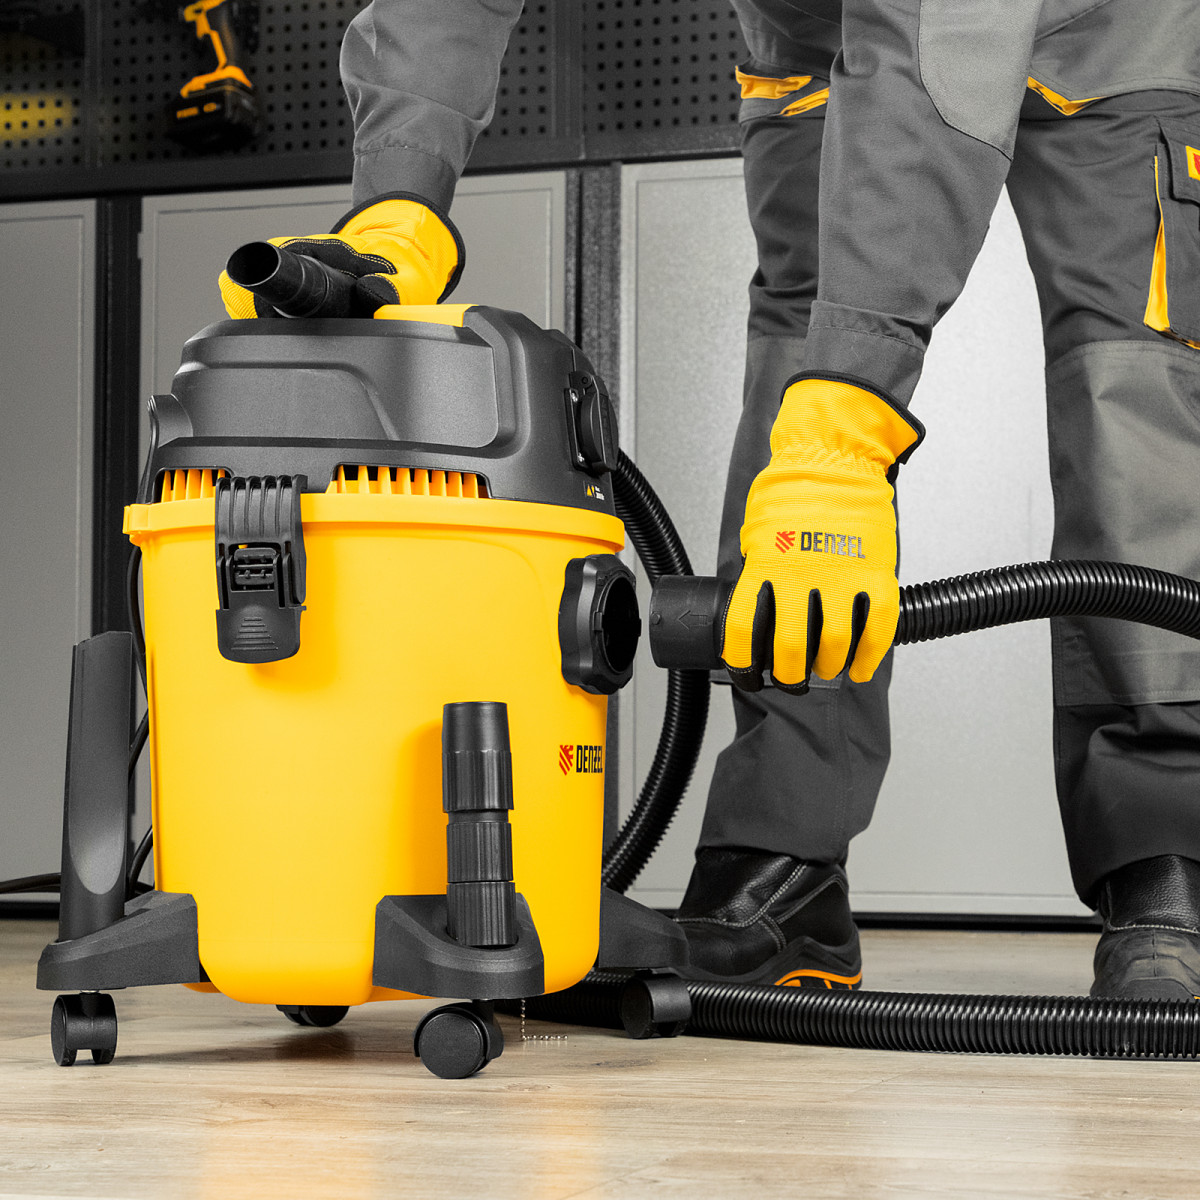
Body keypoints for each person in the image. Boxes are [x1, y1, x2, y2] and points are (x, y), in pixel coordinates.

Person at [219, 0, 1200, 1000]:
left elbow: (937, 42)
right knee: (797, 385)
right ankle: (781, 863)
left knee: (1128, 394)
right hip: (816, 37)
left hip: (1112, 37)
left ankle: (1168, 859)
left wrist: (849, 430)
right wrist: (401, 202)